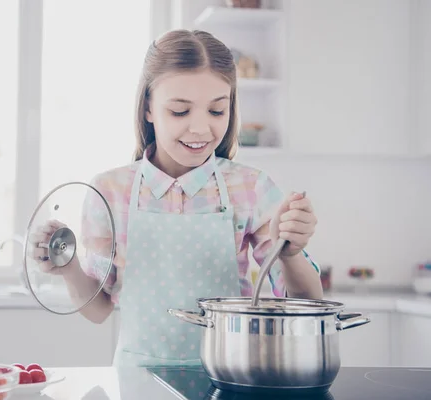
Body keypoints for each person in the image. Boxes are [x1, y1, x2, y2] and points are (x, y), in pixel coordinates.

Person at [31, 29, 322, 367]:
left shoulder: (251, 188)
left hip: (230, 376)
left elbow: (307, 302)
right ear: (148, 109)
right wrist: (68, 269)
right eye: (180, 112)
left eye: (216, 111)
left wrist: (292, 254)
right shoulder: (110, 192)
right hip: (138, 381)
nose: (200, 129)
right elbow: (98, 310)